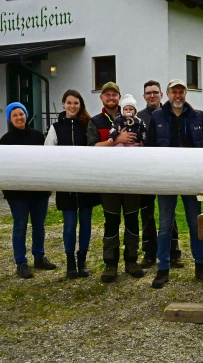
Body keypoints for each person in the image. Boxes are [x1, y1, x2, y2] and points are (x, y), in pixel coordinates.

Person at [147, 79, 203, 288]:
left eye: (181, 92)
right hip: (166, 178)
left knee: (195, 223)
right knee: (165, 224)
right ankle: (163, 268)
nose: (178, 95)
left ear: (185, 94)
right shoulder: (157, 116)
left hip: (192, 177)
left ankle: (201, 265)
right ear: (167, 94)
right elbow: (149, 147)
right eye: (174, 92)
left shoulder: (197, 116)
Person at [87, 82, 144, 283]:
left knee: (131, 221)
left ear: (119, 97)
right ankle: (110, 264)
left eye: (114, 95)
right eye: (107, 95)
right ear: (102, 98)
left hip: (131, 179)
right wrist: (116, 138)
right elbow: (91, 147)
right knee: (111, 222)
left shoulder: (133, 119)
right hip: (108, 180)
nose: (111, 98)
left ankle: (131, 261)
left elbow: (144, 142)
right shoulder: (96, 121)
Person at [44, 90, 100, 278]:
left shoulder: (88, 125)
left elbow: (94, 150)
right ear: (63, 104)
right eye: (69, 103)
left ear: (80, 105)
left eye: (76, 103)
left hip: (85, 184)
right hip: (66, 184)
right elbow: (48, 154)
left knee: (85, 224)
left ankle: (82, 260)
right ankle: (70, 262)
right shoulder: (56, 128)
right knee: (69, 225)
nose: (72, 106)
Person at [1, 103, 55, 278]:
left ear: (26, 115)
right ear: (10, 118)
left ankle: (39, 257)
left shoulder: (38, 136)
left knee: (39, 225)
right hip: (17, 194)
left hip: (39, 191)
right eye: (15, 115)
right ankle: (21, 262)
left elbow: (47, 161)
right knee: (20, 226)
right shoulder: (5, 140)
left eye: (21, 114)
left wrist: (47, 185)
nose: (19, 117)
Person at [137, 80, 181, 269]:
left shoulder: (169, 114)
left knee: (169, 216)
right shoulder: (138, 117)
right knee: (146, 214)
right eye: (148, 93)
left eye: (155, 92)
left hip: (167, 171)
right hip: (145, 172)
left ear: (162, 95)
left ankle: (174, 252)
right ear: (144, 96)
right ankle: (149, 253)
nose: (152, 95)